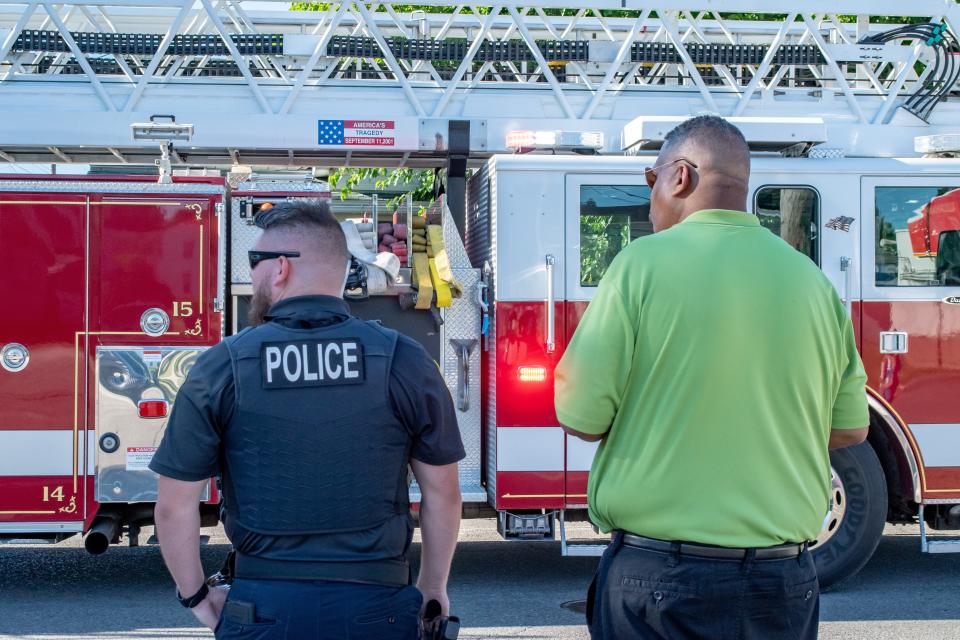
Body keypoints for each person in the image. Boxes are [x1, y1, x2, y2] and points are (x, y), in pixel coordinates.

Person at [555, 115, 869, 640]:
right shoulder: (813, 284)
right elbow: (850, 428)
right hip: (784, 582)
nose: (650, 200)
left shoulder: (640, 266)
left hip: (661, 581)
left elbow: (580, 416)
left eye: (649, 181)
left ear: (679, 176)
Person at [150, 201, 465, 639]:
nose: (251, 275)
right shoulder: (403, 359)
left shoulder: (223, 365)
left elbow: (174, 505)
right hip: (379, 606)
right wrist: (432, 587)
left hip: (262, 609)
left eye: (254, 262)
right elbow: (444, 494)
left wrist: (197, 598)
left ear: (280, 268)